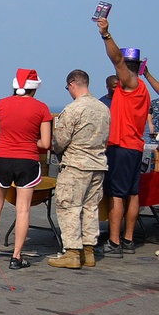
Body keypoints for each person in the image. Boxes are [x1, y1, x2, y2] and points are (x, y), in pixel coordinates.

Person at [0, 69, 52, 270]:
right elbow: (45, 143)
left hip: (2, 158)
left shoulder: (1, 104)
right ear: (34, 89)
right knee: (23, 209)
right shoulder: (42, 108)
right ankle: (17, 256)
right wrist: (29, 140)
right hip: (27, 160)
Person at [97, 18, 150, 257]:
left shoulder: (131, 84)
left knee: (116, 195)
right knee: (133, 193)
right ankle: (128, 239)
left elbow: (116, 59)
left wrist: (106, 35)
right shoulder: (144, 91)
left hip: (121, 147)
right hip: (135, 146)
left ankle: (115, 242)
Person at [47, 69, 109, 269]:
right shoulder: (103, 109)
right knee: (91, 208)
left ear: (72, 84)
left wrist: (54, 146)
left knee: (69, 207)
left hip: (76, 165)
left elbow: (60, 141)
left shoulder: (73, 109)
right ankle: (89, 251)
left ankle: (73, 252)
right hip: (98, 164)